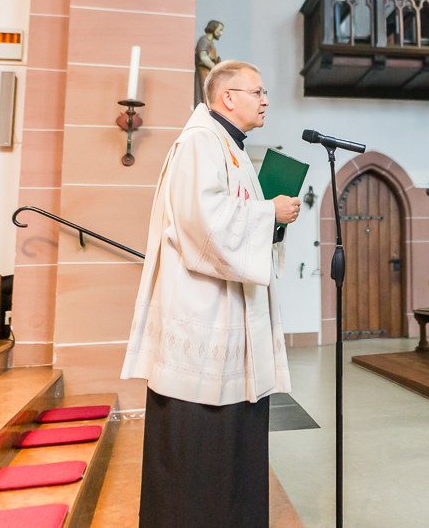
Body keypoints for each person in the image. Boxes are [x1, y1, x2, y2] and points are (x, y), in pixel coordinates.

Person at [121, 60, 300, 528]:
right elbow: (206, 223)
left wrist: (271, 221)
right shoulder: (201, 141)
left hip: (230, 324)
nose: (265, 101)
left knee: (231, 455)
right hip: (206, 321)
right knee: (198, 459)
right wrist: (269, 212)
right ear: (228, 98)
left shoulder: (230, 147)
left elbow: (233, 218)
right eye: (258, 92)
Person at [194, 20, 223, 106]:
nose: (220, 33)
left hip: (208, 73)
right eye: (219, 30)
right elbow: (203, 57)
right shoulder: (204, 40)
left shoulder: (210, 42)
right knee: (204, 96)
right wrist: (215, 68)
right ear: (213, 28)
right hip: (204, 72)